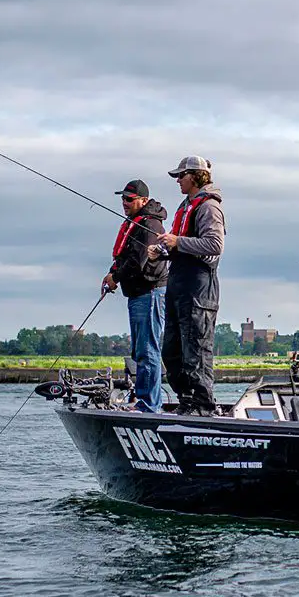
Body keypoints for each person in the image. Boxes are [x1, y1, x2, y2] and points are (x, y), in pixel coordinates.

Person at [148, 155, 225, 414]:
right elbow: (182, 245)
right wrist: (164, 250)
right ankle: (187, 400)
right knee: (172, 351)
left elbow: (215, 245)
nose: (178, 180)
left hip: (199, 290)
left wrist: (177, 242)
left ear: (195, 176)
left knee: (196, 350)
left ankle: (202, 405)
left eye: (181, 176)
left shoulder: (208, 207)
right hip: (178, 287)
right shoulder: (186, 205)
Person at [101, 179, 169, 412]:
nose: (124, 203)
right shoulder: (136, 223)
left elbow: (138, 260)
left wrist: (116, 277)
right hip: (138, 295)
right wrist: (112, 273)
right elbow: (125, 256)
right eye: (123, 198)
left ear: (143, 200)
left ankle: (149, 405)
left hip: (150, 293)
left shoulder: (149, 224)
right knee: (141, 350)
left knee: (147, 349)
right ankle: (145, 402)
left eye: (129, 199)